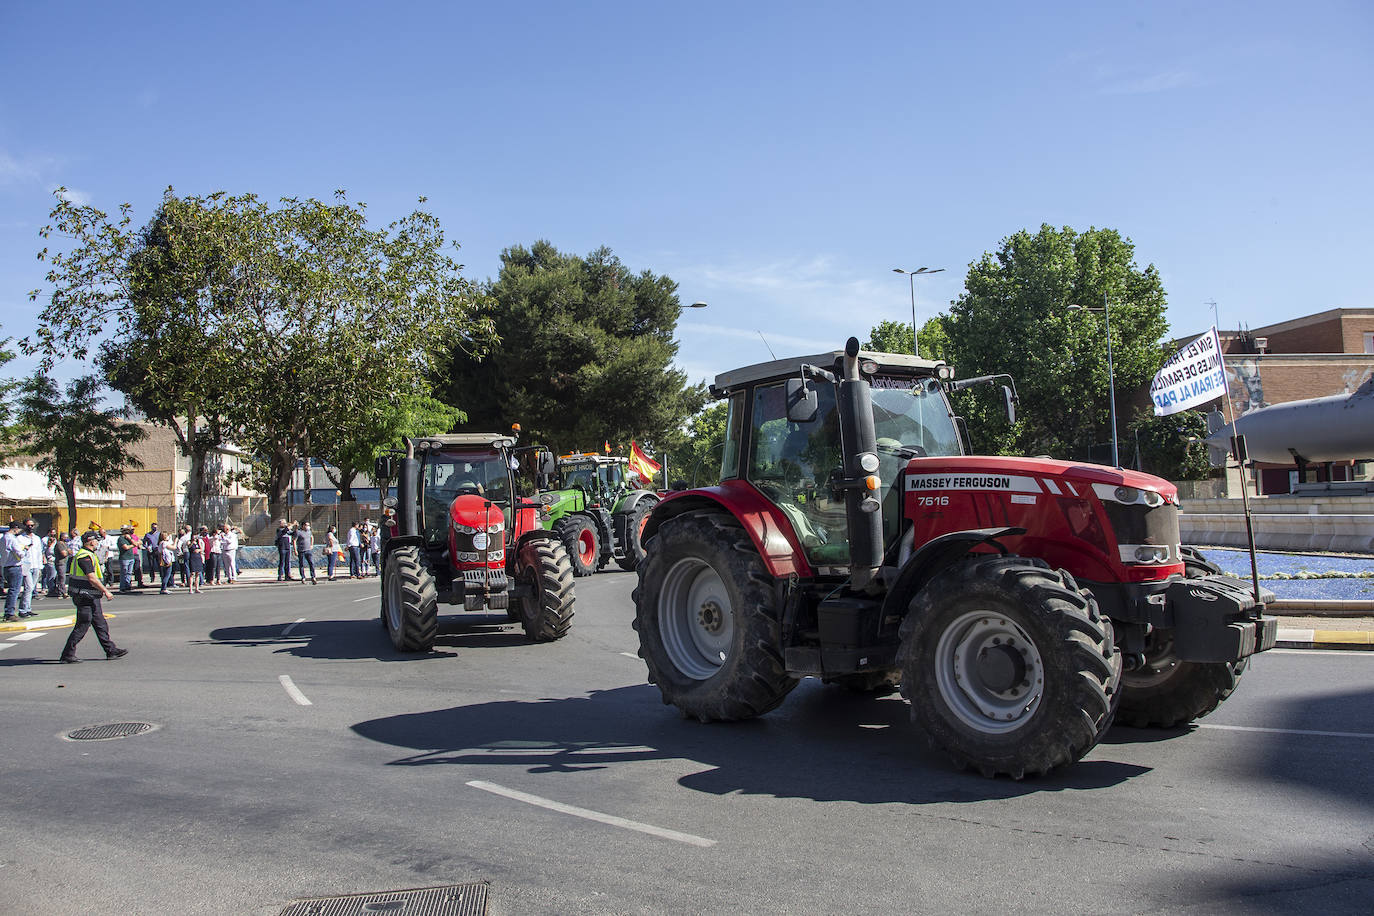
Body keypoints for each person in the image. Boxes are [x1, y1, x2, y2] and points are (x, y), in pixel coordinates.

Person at [58, 529, 128, 663]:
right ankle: (67, 654)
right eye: (96, 540)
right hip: (84, 596)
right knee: (83, 624)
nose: (98, 543)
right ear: (90, 541)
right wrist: (106, 591)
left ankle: (110, 650)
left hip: (91, 595)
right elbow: (91, 578)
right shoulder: (84, 556)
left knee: (100, 623)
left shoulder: (90, 554)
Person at [3, 518, 38, 621]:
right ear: (15, 528)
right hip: (15, 565)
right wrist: (25, 549)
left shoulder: (3, 538)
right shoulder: (13, 539)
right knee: (14, 590)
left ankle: (9, 612)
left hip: (6, 566)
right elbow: (19, 553)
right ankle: (10, 613)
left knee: (12, 590)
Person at [117, 526, 138, 593]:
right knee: (124, 573)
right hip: (124, 558)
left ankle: (128, 586)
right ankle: (122, 587)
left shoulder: (129, 538)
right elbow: (125, 547)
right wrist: (132, 545)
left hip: (131, 557)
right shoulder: (121, 539)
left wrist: (130, 539)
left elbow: (136, 543)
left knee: (129, 573)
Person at [50, 531, 71, 598]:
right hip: (60, 563)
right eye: (66, 537)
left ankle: (61, 591)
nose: (67, 538)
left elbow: (71, 552)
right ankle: (62, 592)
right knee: (62, 577)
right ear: (62, 537)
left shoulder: (65, 544)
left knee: (62, 577)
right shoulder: (59, 544)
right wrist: (67, 552)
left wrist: (67, 551)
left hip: (64, 562)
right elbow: (64, 554)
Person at [186, 528, 204, 594]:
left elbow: (202, 549)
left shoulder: (199, 542)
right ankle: (190, 588)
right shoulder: (189, 541)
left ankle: (197, 588)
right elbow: (189, 546)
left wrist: (199, 550)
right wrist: (192, 542)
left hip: (198, 557)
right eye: (194, 535)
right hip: (192, 558)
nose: (195, 536)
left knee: (198, 573)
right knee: (192, 573)